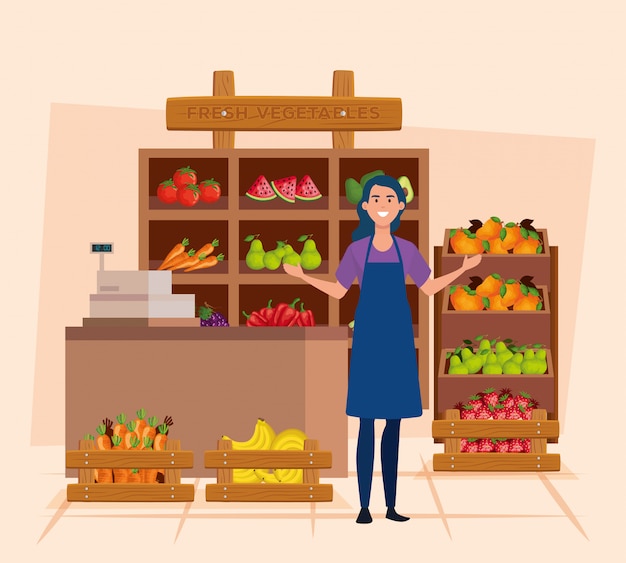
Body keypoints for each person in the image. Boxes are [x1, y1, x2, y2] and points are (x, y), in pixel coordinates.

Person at [283, 174, 482, 523]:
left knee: (393, 426)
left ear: (400, 205)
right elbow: (340, 291)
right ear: (365, 206)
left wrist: (462, 270)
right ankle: (363, 506)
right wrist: (303, 277)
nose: (382, 205)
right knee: (365, 424)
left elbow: (430, 287)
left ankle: (390, 506)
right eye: (376, 199)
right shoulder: (357, 251)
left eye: (389, 199)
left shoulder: (408, 250)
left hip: (398, 342)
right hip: (369, 342)